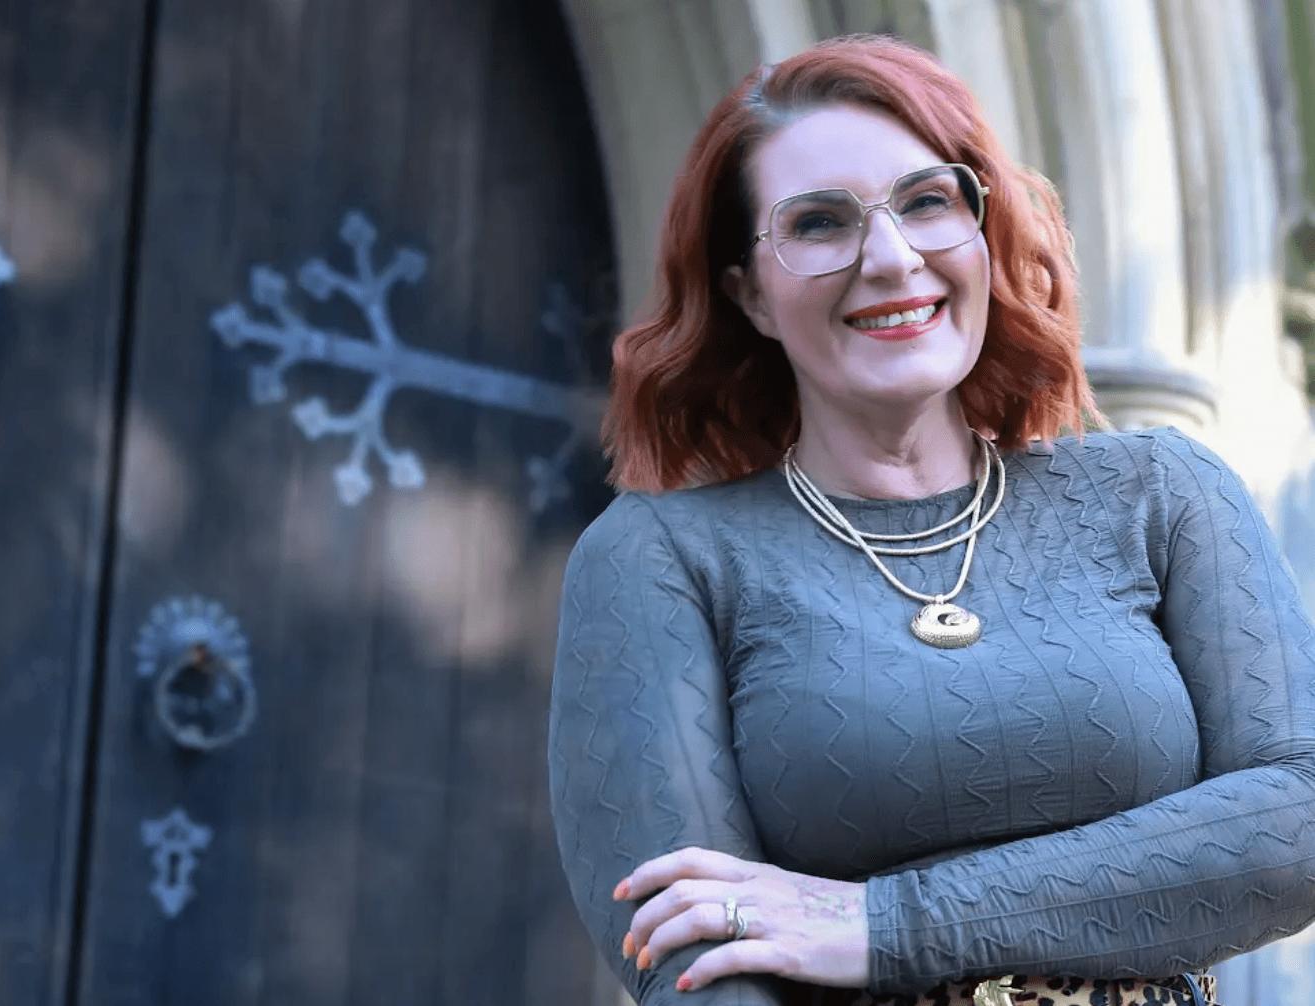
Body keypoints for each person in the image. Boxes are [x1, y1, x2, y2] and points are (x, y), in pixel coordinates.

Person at [547, 34, 1315, 1006]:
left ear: (983, 233)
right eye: (819, 224)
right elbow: (689, 950)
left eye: (927, 202)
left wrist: (886, 923)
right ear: (749, 294)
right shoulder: (660, 559)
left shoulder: (1162, 492)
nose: (891, 257)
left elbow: (1299, 822)